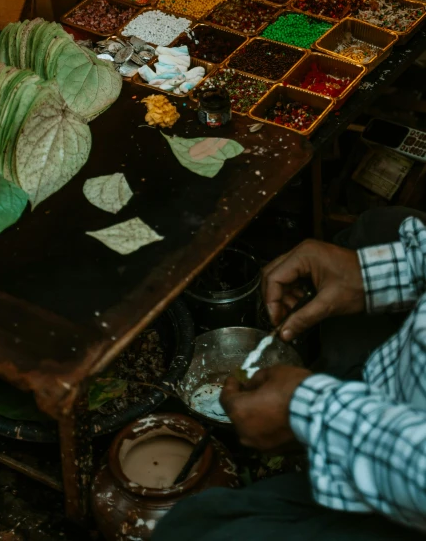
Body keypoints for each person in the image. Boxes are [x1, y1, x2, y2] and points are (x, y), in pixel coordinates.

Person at [153, 207, 426, 540]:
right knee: (379, 227)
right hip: (401, 379)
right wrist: (372, 274)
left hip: (409, 487)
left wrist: (315, 417)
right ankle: (349, 373)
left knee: (195, 530)